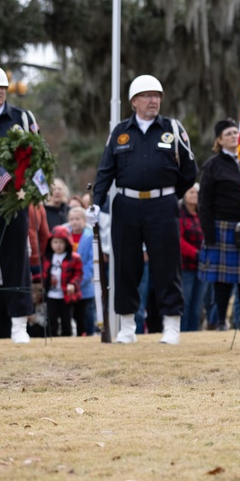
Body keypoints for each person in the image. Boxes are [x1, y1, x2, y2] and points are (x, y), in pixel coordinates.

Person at [88, 74, 198, 345]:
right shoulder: (119, 132)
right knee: (126, 266)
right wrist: (96, 203)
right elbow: (105, 173)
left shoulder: (172, 128)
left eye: (157, 95)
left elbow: (189, 170)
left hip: (163, 205)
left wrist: (172, 196)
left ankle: (171, 325)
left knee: (167, 265)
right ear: (134, 101)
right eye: (147, 96)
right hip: (126, 204)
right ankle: (127, 326)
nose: (153, 100)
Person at [0, 64, 39, 344]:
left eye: (2, 87)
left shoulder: (22, 118)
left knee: (16, 260)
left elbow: (37, 156)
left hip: (12, 200)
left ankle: (19, 325)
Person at [198, 118, 240, 331]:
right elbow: (204, 202)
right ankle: (221, 321)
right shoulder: (213, 165)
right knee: (222, 281)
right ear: (219, 141)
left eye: (235, 132)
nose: (233, 136)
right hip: (221, 227)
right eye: (228, 134)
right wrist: (208, 232)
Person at [44, 225, 83, 337]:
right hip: (51, 295)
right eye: (55, 242)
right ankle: (53, 340)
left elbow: (78, 274)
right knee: (51, 320)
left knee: (66, 321)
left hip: (66, 295)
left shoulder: (74, 258)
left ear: (67, 243)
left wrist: (73, 284)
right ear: (50, 243)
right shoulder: (48, 257)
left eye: (61, 242)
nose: (58, 245)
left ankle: (67, 340)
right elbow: (44, 274)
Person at [65, 207, 96, 336]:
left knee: (86, 314)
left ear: (84, 220)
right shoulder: (65, 235)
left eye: (78, 219)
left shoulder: (90, 236)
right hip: (68, 285)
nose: (75, 222)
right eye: (72, 219)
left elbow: (91, 262)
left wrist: (79, 280)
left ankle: (89, 334)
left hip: (85, 285)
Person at [179, 184, 204, 332]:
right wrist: (195, 253)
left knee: (197, 306)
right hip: (185, 267)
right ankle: (182, 332)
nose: (194, 195)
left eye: (196, 192)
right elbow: (179, 241)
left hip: (201, 267)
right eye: (191, 192)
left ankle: (194, 332)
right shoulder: (180, 215)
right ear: (184, 195)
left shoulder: (201, 214)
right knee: (185, 303)